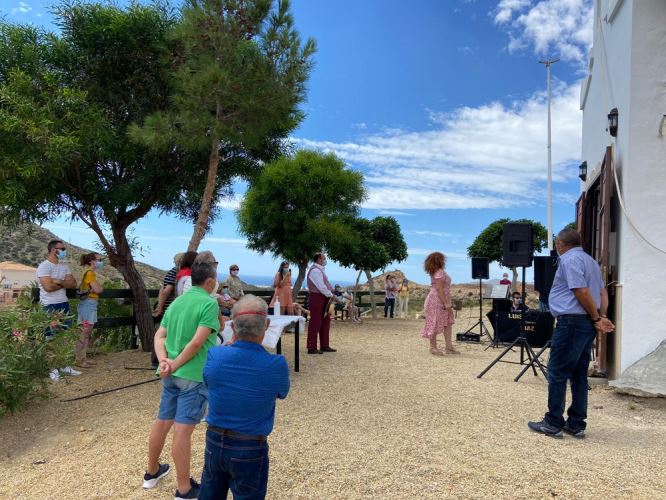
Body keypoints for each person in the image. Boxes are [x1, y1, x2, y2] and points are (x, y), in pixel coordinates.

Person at [199, 295, 290, 500]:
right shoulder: (276, 364)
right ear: (266, 325)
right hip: (251, 445)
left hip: (214, 439)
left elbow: (209, 382)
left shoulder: (215, 355)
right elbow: (281, 392)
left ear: (233, 327)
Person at [143, 261, 221, 499]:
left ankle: (152, 472)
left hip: (169, 375)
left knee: (162, 421)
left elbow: (160, 335)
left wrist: (164, 361)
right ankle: (184, 488)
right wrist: (175, 364)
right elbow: (197, 342)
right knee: (182, 431)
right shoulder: (209, 303)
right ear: (209, 282)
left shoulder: (177, 302)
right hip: (193, 376)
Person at [528, 229, 614, 439]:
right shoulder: (591, 262)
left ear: (560, 244)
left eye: (557, 244)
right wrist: (600, 316)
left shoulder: (568, 260)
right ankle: (576, 423)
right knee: (578, 374)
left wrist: (596, 318)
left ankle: (553, 422)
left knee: (557, 372)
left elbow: (581, 291)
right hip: (585, 323)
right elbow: (602, 293)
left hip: (572, 322)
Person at [36, 240, 81, 380]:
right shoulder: (44, 267)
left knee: (65, 337)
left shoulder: (64, 267)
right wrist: (63, 283)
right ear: (53, 250)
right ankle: (52, 369)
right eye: (62, 248)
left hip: (64, 305)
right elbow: (48, 288)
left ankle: (64, 366)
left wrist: (59, 281)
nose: (64, 250)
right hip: (49, 306)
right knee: (50, 337)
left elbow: (73, 284)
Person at [420, 252, 459, 356]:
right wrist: (446, 303)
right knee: (435, 322)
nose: (444, 261)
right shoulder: (439, 272)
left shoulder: (436, 272)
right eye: (442, 259)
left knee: (448, 322)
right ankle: (433, 347)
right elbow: (439, 289)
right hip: (437, 300)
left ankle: (449, 347)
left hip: (439, 299)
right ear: (439, 260)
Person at [152, 253, 184, 366]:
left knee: (164, 333)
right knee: (163, 334)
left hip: (169, 307)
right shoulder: (175, 272)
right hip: (169, 307)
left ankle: (160, 359)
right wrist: (160, 307)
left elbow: (164, 290)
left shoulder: (175, 272)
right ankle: (157, 360)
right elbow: (166, 290)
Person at [306, 253, 339, 354]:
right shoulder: (315, 271)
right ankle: (312, 347)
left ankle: (324, 345)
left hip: (324, 298)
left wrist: (331, 292)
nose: (325, 260)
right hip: (317, 298)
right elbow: (321, 287)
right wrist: (331, 295)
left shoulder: (319, 270)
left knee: (325, 321)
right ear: (319, 259)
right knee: (315, 322)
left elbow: (324, 285)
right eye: (324, 258)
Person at [76, 253, 104, 368]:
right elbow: (98, 289)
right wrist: (98, 288)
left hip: (90, 306)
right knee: (84, 332)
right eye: (99, 259)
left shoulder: (89, 273)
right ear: (92, 261)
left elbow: (96, 289)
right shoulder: (90, 273)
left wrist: (96, 288)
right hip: (88, 306)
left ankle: (83, 358)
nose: (101, 262)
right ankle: (79, 359)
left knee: (87, 333)